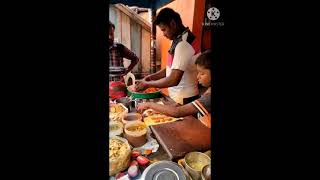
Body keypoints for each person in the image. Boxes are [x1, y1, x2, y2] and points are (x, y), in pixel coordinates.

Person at [135, 8, 200, 105]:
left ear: (173, 23)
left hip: (185, 98)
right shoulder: (178, 39)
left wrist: (147, 84)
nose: (164, 34)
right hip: (178, 96)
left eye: (164, 30)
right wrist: (150, 77)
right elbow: (171, 68)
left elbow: (173, 79)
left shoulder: (183, 44)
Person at [137, 50, 213, 128]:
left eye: (202, 73)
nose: (198, 77)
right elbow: (197, 111)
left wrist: (149, 105)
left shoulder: (209, 97)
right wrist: (181, 106)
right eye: (198, 72)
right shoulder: (208, 90)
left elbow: (177, 112)